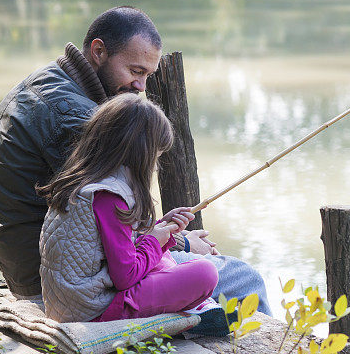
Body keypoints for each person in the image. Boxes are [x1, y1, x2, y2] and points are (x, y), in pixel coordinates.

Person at [0, 6, 270, 315]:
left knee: (205, 270)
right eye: (135, 71)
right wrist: (179, 243)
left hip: (48, 271)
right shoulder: (76, 117)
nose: (142, 87)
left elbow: (98, 224)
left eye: (148, 75)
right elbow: (111, 234)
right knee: (244, 279)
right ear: (99, 51)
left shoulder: (52, 80)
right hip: (62, 287)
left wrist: (166, 233)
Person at [37, 94, 229, 332]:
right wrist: (154, 240)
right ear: (140, 153)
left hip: (71, 302)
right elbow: (125, 276)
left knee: (164, 257)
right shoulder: (109, 196)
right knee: (205, 273)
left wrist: (160, 228)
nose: (156, 165)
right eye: (156, 157)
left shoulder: (89, 181)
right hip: (94, 311)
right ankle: (193, 308)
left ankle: (189, 304)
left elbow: (114, 243)